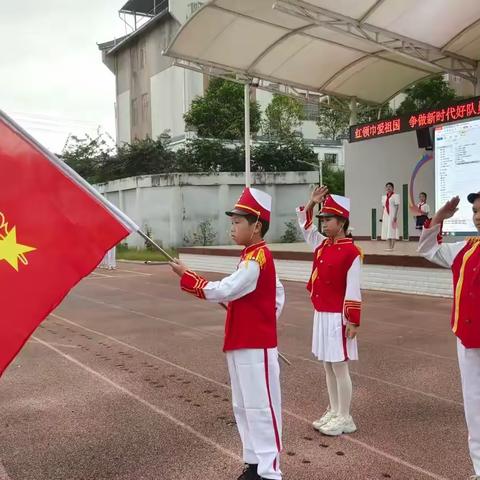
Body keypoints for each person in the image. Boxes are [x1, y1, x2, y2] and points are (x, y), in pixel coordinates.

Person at [170, 187, 285, 480]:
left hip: (255, 343)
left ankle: (270, 471)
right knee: (244, 405)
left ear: (256, 226)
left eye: (237, 222)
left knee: (261, 406)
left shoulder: (256, 259)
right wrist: (257, 312)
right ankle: (255, 463)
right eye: (232, 222)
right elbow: (272, 296)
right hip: (242, 340)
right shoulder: (251, 257)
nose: (232, 228)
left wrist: (189, 277)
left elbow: (226, 289)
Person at [418, 191, 480, 480]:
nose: (478, 216)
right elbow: (428, 249)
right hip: (468, 340)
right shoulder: (465, 249)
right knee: (475, 409)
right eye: (476, 211)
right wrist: (439, 217)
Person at [296, 186, 362, 436]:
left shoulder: (351, 252)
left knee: (339, 366)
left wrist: (352, 320)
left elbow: (354, 289)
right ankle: (335, 410)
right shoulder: (323, 245)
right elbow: (305, 227)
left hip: (338, 316)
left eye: (329, 219)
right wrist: (311, 204)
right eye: (322, 220)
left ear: (342, 221)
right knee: (327, 365)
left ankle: (345, 416)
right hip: (322, 314)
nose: (323, 224)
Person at [381, 182, 400, 251]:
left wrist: (395, 216)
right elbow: (384, 207)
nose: (388, 188)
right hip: (386, 215)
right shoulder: (384, 197)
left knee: (392, 230)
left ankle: (392, 247)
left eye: (390, 186)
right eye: (387, 187)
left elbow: (397, 206)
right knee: (387, 230)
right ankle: (389, 247)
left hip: (392, 215)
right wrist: (382, 216)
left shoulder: (395, 196)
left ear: (393, 188)